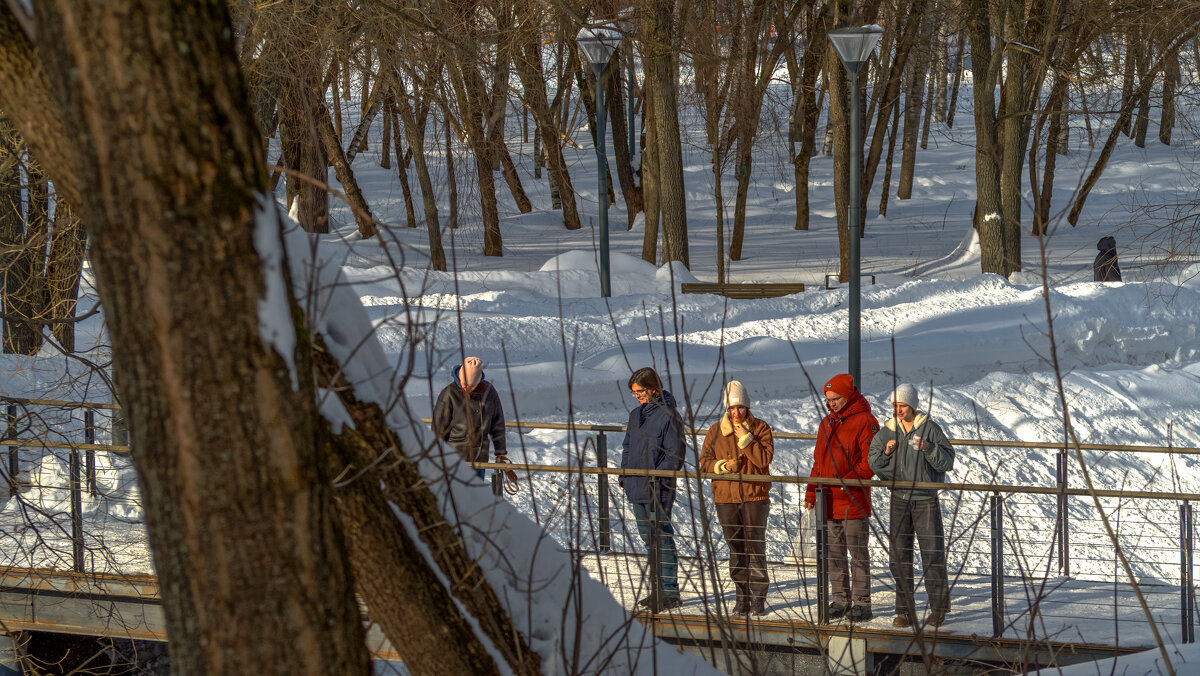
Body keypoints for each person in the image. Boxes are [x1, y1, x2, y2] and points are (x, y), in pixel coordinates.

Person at [868, 384, 955, 629]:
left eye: (902, 406)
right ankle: (904, 611)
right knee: (899, 556)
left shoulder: (930, 429)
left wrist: (928, 449)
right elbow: (872, 462)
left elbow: (947, 461)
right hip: (899, 499)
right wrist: (886, 454)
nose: (898, 410)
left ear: (912, 406)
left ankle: (938, 609)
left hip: (925, 499)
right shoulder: (887, 432)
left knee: (932, 554)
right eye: (895, 406)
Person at [804, 374, 879, 623]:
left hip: (852, 499)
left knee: (857, 553)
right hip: (828, 498)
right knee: (833, 553)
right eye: (828, 399)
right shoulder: (826, 424)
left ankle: (862, 602)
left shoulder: (865, 421)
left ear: (847, 396)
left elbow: (869, 462)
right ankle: (841, 599)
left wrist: (846, 482)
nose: (832, 403)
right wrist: (811, 491)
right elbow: (818, 462)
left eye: (836, 398)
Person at [699, 381, 775, 616]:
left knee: (755, 546)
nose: (736, 413)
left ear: (747, 406)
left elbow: (763, 460)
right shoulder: (715, 431)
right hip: (726, 497)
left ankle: (758, 597)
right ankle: (741, 596)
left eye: (740, 407)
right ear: (726, 409)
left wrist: (746, 439)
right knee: (736, 547)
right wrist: (722, 466)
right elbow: (704, 463)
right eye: (732, 408)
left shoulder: (760, 428)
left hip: (755, 495)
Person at [619, 367, 685, 612]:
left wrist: (657, 478)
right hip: (636, 486)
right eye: (634, 393)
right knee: (649, 540)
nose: (637, 396)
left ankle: (670, 591)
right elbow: (628, 446)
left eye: (641, 391)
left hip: (659, 488)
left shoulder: (669, 416)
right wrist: (625, 474)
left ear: (654, 388)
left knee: (662, 539)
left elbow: (675, 455)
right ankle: (656, 588)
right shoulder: (636, 415)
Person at [432, 356, 507, 479]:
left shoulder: (489, 392)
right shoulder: (449, 394)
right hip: (455, 457)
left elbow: (497, 423)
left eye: (472, 386)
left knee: (476, 494)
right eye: (466, 384)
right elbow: (438, 429)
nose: (468, 388)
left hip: (479, 458)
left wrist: (501, 451)